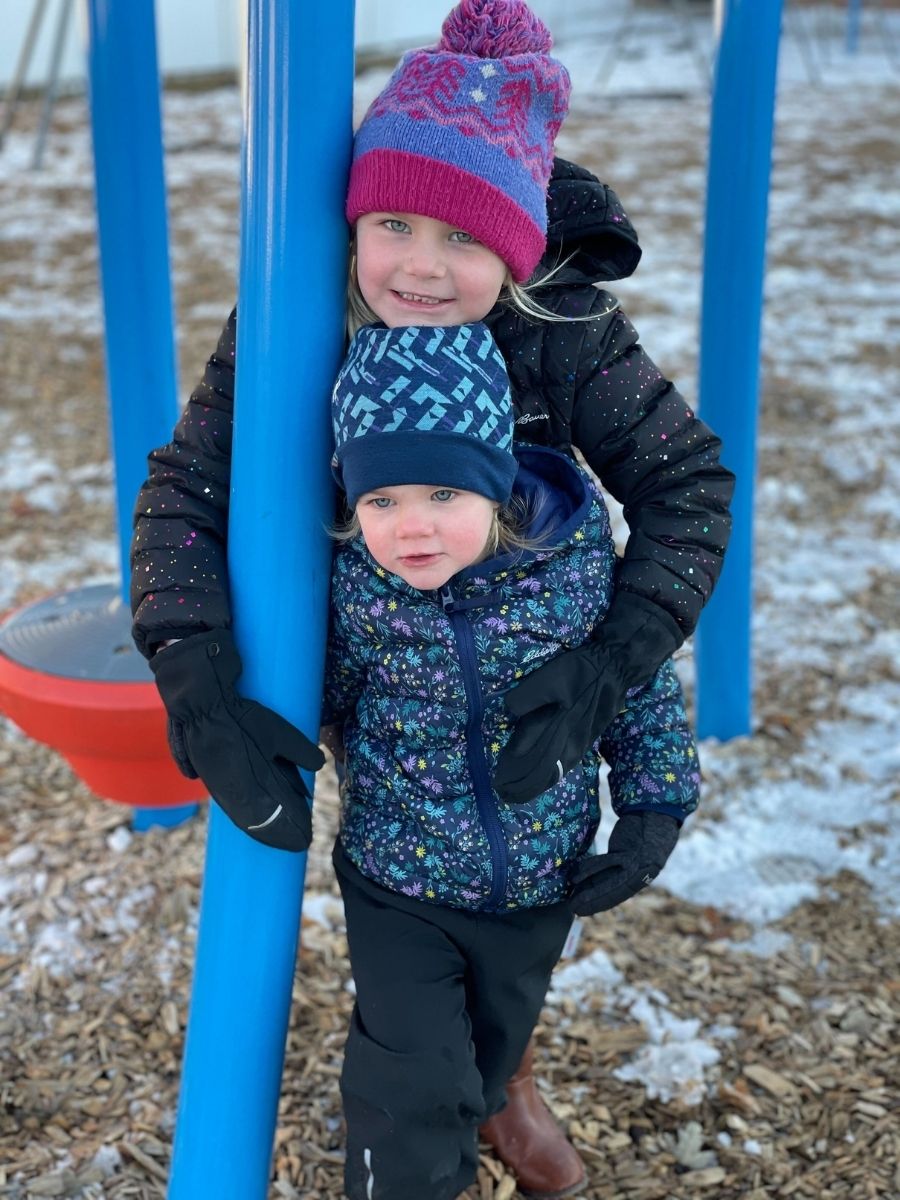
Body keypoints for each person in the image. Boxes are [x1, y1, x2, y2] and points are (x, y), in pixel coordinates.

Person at [132, 0, 734, 1194]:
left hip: (532, 743)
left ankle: (505, 1075)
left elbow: (688, 485)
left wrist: (613, 665)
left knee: (507, 975)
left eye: (462, 239)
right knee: (412, 1047)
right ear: (352, 220)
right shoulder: (301, 319)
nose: (420, 265)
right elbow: (188, 487)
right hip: (399, 757)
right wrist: (193, 665)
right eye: (392, 222)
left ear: (514, 250)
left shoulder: (557, 330)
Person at [323, 319, 699, 1200]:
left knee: (490, 1049)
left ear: (496, 487)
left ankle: (498, 1099)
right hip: (397, 879)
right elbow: (324, 688)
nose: (411, 528)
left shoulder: (569, 572)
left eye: (443, 495)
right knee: (410, 1079)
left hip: (538, 876)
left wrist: (653, 806)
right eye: (381, 501)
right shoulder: (357, 586)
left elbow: (635, 687)